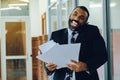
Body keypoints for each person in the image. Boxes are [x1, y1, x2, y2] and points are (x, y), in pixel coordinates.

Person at [44, 6, 108, 80]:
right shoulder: (56, 35)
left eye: (81, 18)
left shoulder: (92, 32)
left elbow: (102, 56)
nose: (76, 19)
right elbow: (49, 57)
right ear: (70, 15)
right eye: (75, 14)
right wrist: (47, 67)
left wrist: (86, 66)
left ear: (85, 22)